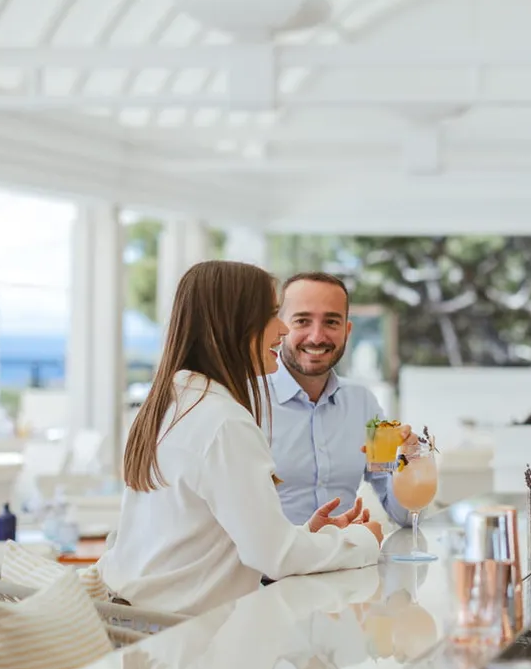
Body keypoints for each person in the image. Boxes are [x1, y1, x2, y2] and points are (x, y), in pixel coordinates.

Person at [101, 260, 384, 617]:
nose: (282, 329)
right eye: (272, 315)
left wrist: (306, 536)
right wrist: (363, 541)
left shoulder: (175, 401)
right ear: (232, 324)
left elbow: (205, 537)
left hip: (139, 623)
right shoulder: (224, 422)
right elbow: (275, 556)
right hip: (188, 635)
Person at [269, 272, 417, 528]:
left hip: (347, 553)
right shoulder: (247, 400)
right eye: (302, 321)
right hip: (273, 555)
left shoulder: (362, 403)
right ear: (279, 327)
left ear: (347, 330)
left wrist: (409, 463)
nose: (317, 337)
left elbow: (404, 516)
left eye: (331, 322)